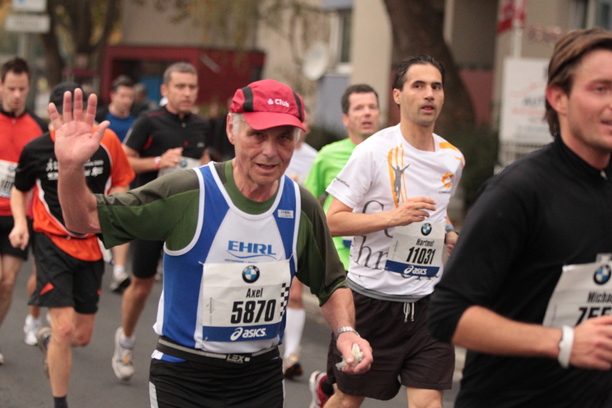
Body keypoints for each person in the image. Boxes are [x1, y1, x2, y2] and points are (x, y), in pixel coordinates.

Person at [51, 78, 373, 408]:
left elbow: (331, 283)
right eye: (257, 135)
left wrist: (346, 331)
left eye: (284, 138)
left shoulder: (301, 205)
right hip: (185, 374)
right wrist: (70, 167)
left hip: (260, 377)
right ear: (232, 130)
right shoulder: (189, 192)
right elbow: (85, 218)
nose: (270, 151)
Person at [428, 28, 612, 408]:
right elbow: (447, 314)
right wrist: (563, 342)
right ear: (558, 98)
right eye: (600, 89)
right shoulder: (518, 192)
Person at [312, 55, 464, 408]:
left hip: (427, 304)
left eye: (436, 86)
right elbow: (332, 221)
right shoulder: (372, 152)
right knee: (347, 399)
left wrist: (448, 232)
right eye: (418, 86)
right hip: (371, 303)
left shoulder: (452, 158)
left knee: (430, 403)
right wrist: (393, 217)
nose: (429, 94)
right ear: (397, 95)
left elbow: (436, 210)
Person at [9, 82, 134, 408]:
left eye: (80, 112)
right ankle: (60, 402)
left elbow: (122, 181)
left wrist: (114, 212)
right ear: (54, 115)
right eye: (67, 113)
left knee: (80, 336)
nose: (74, 121)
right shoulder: (37, 149)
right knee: (64, 330)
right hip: (51, 240)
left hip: (92, 244)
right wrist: (21, 223)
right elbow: (20, 189)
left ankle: (48, 338)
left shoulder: (106, 141)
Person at [113, 61, 213, 381]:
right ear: (166, 90)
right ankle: (125, 340)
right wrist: (158, 161)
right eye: (180, 86)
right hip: (152, 215)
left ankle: (183, 355)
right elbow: (123, 160)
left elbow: (205, 164)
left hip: (188, 219)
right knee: (142, 286)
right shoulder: (149, 121)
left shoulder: (202, 125)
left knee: (190, 287)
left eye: (192, 87)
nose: (187, 92)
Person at [303, 84, 381, 391]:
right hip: (340, 257)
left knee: (371, 337)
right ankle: (334, 387)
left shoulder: (391, 152)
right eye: (359, 108)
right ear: (346, 118)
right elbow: (309, 204)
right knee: (347, 329)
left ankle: (327, 385)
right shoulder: (328, 156)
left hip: (377, 260)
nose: (367, 113)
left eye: (372, 107)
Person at [0, 57, 47, 361]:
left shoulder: (37, 127)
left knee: (7, 281)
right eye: (11, 88)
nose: (17, 95)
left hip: (19, 217)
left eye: (22, 89)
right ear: (1, 87)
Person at [281, 109, 318, 379]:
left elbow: (321, 196)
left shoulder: (315, 158)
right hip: (268, 228)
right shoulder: (274, 150)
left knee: (295, 294)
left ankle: (291, 355)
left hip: (298, 229)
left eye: (304, 120)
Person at [95, 75, 136, 293]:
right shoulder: (99, 118)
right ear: (113, 95)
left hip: (122, 178)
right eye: (123, 96)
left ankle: (119, 271)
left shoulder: (137, 122)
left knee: (122, 220)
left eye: (130, 97)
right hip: (99, 178)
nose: (126, 100)